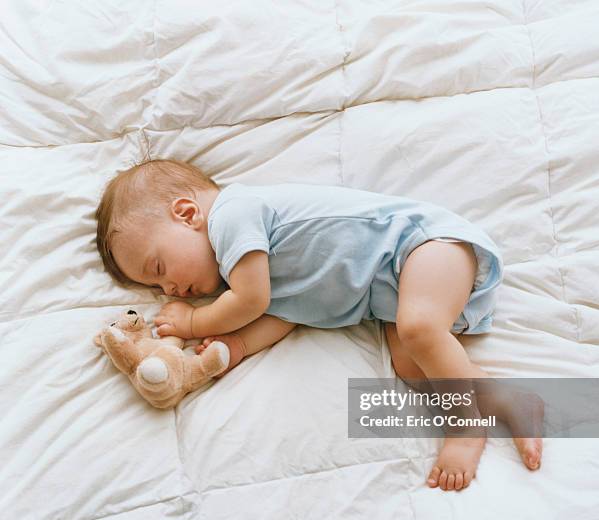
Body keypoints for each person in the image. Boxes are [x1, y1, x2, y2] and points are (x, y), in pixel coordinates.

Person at [96, 158, 543, 491]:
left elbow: (253, 301)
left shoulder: (233, 215)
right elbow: (280, 317)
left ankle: (466, 428)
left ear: (187, 213)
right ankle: (506, 398)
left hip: (423, 247)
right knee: (411, 363)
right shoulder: (253, 275)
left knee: (420, 329)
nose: (170, 289)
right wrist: (232, 348)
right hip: (402, 290)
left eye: (159, 267)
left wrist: (196, 321)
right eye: (156, 290)